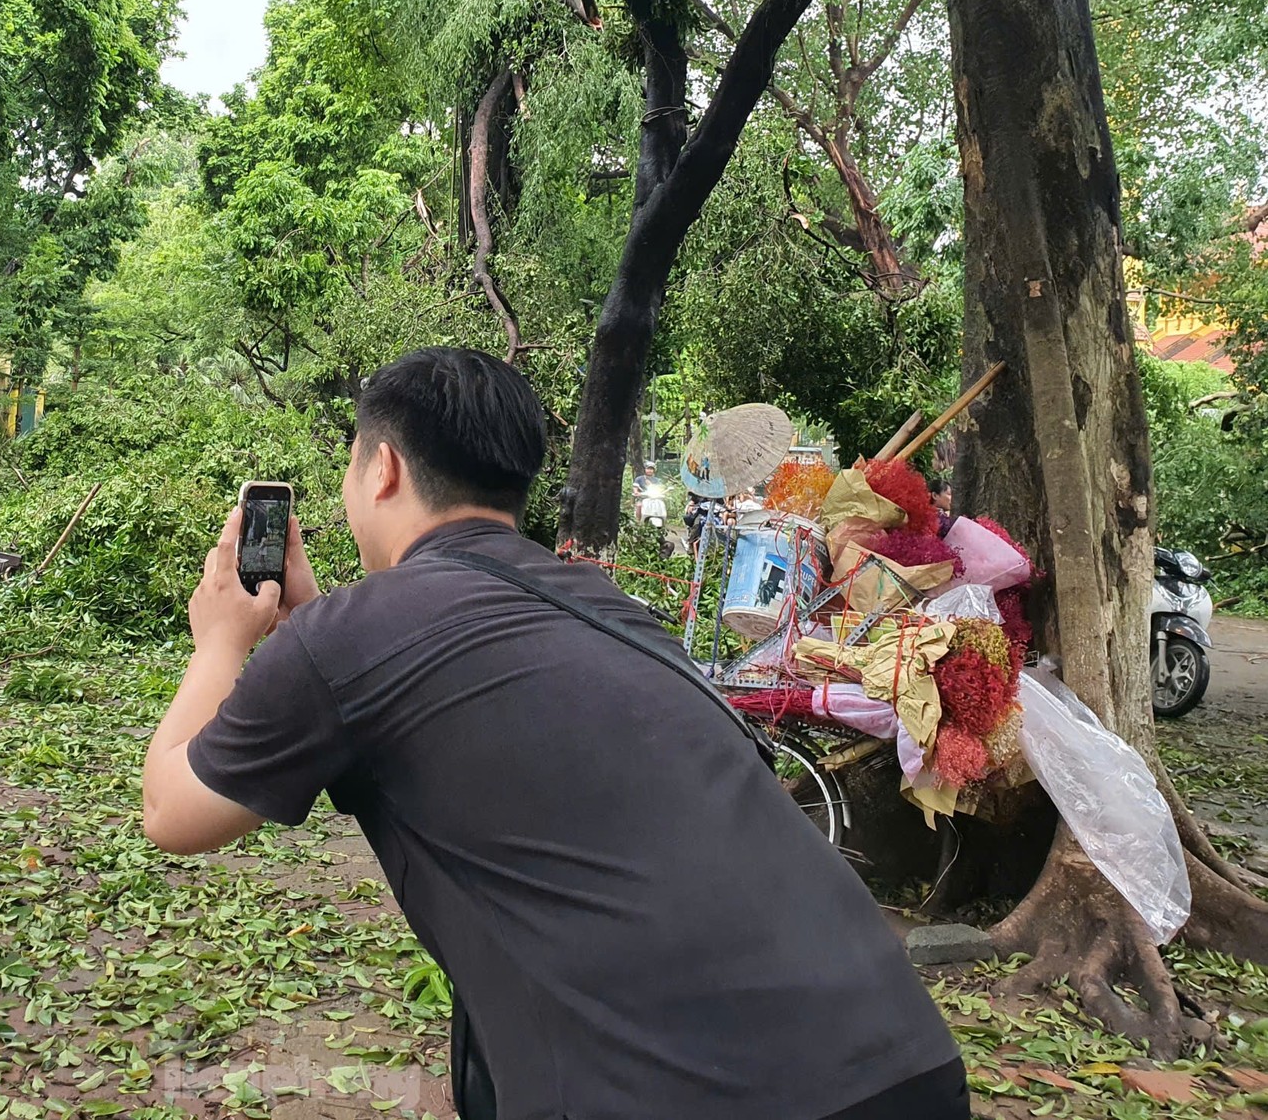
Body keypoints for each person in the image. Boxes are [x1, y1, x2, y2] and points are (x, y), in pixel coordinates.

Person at [142, 347, 967, 1120]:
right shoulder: (611, 609)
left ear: (382, 467)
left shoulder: (347, 639)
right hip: (907, 1066)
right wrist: (319, 627)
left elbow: (174, 812)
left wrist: (221, 641)